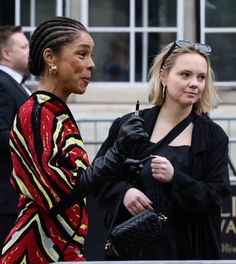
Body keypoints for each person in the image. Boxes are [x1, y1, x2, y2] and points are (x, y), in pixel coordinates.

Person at [0, 16, 148, 263]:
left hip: (62, 249)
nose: (91, 64)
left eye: (90, 55)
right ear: (50, 58)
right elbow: (55, 196)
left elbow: (75, 181)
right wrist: (116, 152)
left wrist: (116, 169)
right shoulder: (37, 112)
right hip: (39, 252)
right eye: (82, 54)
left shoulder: (54, 111)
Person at [95, 40, 232, 260]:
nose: (194, 83)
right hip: (135, 249)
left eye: (201, 77)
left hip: (189, 249)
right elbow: (98, 178)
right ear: (164, 77)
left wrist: (175, 178)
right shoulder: (129, 125)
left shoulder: (213, 136)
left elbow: (215, 197)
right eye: (185, 75)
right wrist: (124, 193)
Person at [0, 25, 30, 251]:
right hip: (6, 197)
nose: (30, 50)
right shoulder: (2, 84)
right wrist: (40, 141)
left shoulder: (17, 85)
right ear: (6, 53)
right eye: (24, 46)